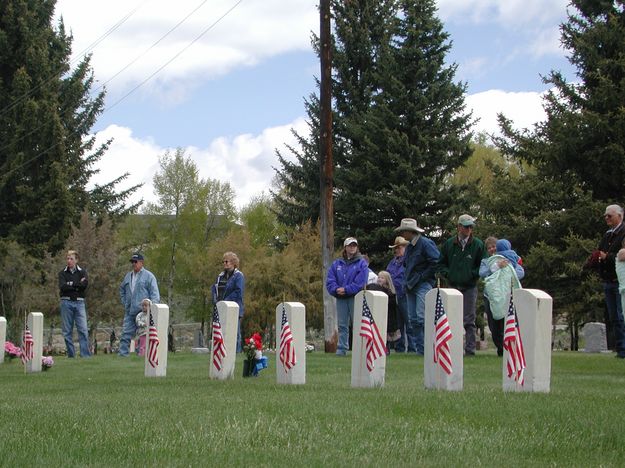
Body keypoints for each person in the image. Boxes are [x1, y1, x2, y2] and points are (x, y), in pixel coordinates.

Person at [437, 214, 486, 356]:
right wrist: (448, 274)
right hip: (453, 286)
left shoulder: (478, 245)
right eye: (466, 226)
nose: (469, 229)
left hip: (470, 287)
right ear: (459, 227)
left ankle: (470, 350)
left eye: (471, 226)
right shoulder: (449, 244)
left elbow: (483, 265)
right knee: (451, 318)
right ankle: (453, 348)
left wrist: (472, 274)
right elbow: (440, 264)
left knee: (469, 319)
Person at [394, 218, 440, 355]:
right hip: (410, 285)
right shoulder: (410, 247)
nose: (402, 233)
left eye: (403, 231)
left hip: (422, 284)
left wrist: (422, 276)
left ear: (410, 232)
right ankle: (421, 350)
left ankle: (427, 347)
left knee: (421, 317)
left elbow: (436, 261)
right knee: (413, 319)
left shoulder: (425, 244)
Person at [479, 237, 525, 356]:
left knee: (508, 321)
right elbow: (482, 273)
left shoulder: (511, 259)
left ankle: (510, 347)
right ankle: (500, 347)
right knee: (493, 323)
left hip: (508, 295)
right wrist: (497, 267)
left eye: (493, 246)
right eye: (489, 248)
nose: (492, 249)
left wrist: (507, 270)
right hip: (491, 296)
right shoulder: (486, 261)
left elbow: (520, 273)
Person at [326, 237, 368, 356]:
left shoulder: (361, 263)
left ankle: (359, 349)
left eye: (354, 245)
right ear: (345, 247)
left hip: (355, 297)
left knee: (358, 324)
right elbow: (330, 280)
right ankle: (342, 349)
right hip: (341, 298)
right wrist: (336, 290)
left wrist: (346, 289)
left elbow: (360, 283)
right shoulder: (337, 263)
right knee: (342, 325)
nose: (352, 247)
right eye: (350, 245)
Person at [596, 205, 625, 358]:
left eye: (610, 216)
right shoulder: (607, 235)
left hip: (620, 281)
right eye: (605, 216)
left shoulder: (623, 233)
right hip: (608, 280)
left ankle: (623, 349)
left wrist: (608, 257)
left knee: (621, 316)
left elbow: (621, 257)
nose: (606, 218)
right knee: (614, 317)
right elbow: (600, 251)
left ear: (620, 216)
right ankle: (620, 349)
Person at [119, 253, 160, 357]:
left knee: (143, 335)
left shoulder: (149, 276)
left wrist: (151, 308)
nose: (133, 264)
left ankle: (141, 355)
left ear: (141, 262)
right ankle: (122, 355)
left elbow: (155, 294)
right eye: (132, 262)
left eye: (135, 262)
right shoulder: (128, 276)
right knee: (125, 333)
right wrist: (125, 302)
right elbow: (122, 289)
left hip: (143, 312)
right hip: (130, 311)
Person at [58, 250, 91, 358]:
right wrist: (77, 284)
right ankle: (71, 355)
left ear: (76, 260)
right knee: (67, 331)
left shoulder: (82, 272)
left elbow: (84, 286)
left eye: (71, 258)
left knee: (83, 329)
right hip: (66, 302)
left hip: (79, 303)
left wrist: (71, 285)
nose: (69, 261)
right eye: (67, 258)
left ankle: (85, 355)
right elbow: (63, 287)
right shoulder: (62, 273)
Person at [212, 251, 245, 353]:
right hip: (220, 308)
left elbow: (239, 292)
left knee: (235, 332)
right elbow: (215, 289)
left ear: (233, 263)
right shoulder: (220, 276)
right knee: (222, 331)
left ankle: (236, 352)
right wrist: (215, 300)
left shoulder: (238, 276)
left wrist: (225, 301)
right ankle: (221, 352)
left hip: (233, 308)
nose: (225, 263)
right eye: (223, 262)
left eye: (227, 261)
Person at [386, 236, 415, 353]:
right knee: (397, 323)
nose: (397, 250)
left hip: (405, 295)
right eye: (396, 248)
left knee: (409, 322)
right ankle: (399, 347)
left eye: (400, 247)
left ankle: (413, 347)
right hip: (394, 296)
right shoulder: (392, 263)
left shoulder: (408, 261)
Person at [367, 271, 401, 351]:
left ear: (387, 280)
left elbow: (392, 304)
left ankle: (387, 348)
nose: (379, 279)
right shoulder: (374, 288)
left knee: (386, 332)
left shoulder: (390, 291)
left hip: (388, 315)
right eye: (378, 277)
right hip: (378, 314)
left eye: (382, 278)